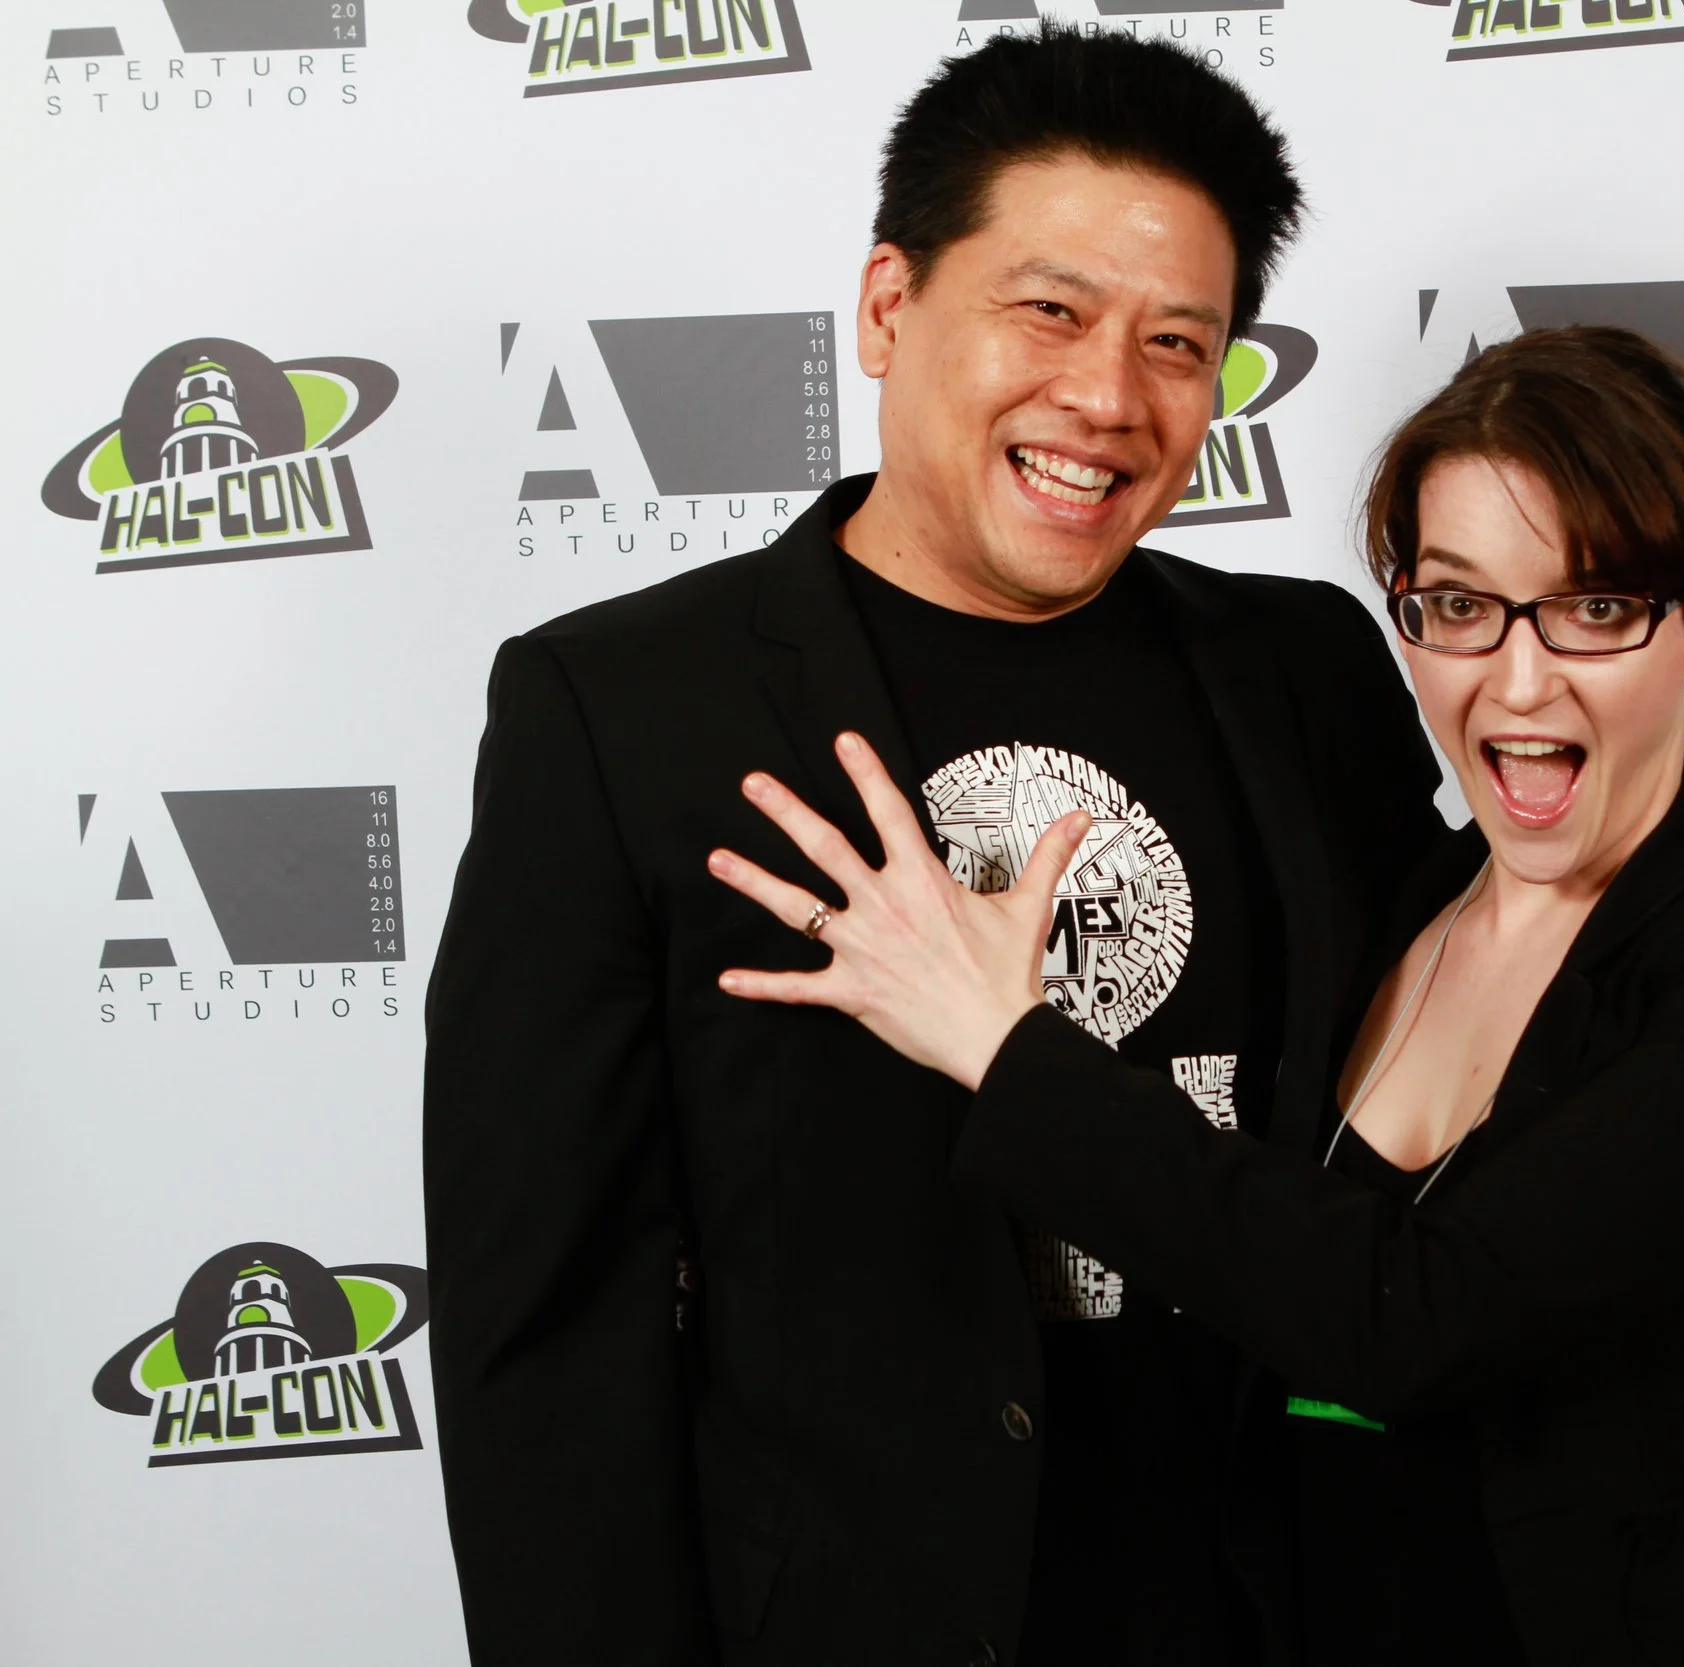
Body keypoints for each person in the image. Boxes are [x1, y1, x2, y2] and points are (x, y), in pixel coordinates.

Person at [423, 28, 1446, 1667]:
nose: (1108, 397)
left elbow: (1487, 993)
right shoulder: (624, 710)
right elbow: (546, 1332)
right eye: (1050, 311)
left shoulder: (1307, 668)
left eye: (1178, 343)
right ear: (890, 306)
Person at [709, 327, 1684, 1665]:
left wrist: (1005, 1043)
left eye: (1595, 608)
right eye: (1460, 605)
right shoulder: (1387, 899)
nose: (1518, 680)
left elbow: (1418, 1319)